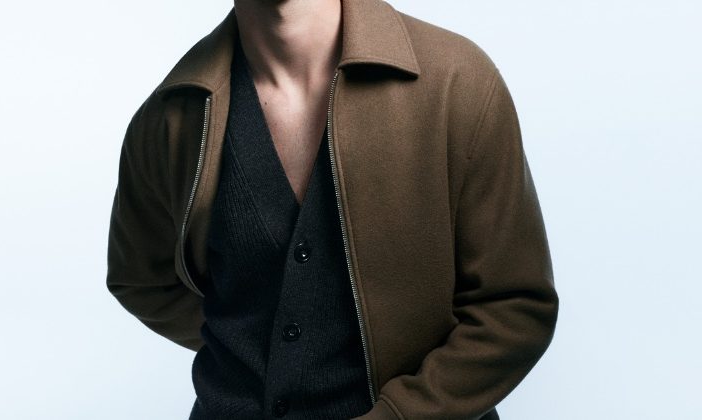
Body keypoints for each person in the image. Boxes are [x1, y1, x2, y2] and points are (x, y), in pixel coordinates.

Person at [105, 0, 560, 418]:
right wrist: (255, 343)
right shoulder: (170, 117)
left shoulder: (456, 81)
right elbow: (142, 280)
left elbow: (513, 307)